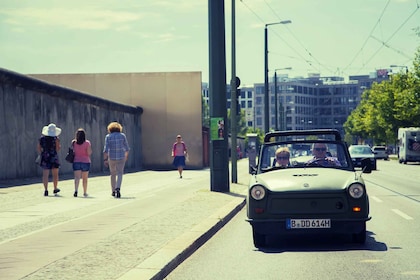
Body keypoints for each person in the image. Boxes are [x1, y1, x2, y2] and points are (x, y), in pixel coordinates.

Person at [103, 122, 130, 198]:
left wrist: (105, 159)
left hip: (111, 157)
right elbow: (127, 148)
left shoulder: (108, 137)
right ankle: (118, 188)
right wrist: (126, 156)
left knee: (113, 174)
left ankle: (113, 190)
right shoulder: (122, 136)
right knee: (120, 173)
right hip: (121, 157)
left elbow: (105, 149)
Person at [37, 123, 61, 196]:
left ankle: (46, 190)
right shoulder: (56, 139)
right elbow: (57, 148)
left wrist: (43, 152)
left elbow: (38, 148)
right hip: (53, 156)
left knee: (45, 174)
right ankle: (55, 188)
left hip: (45, 156)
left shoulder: (42, 139)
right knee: (55, 174)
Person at [71, 128, 92, 197]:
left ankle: (76, 190)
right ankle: (85, 192)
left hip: (76, 161)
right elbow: (89, 153)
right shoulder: (87, 143)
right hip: (85, 161)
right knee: (85, 178)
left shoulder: (74, 142)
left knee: (77, 177)